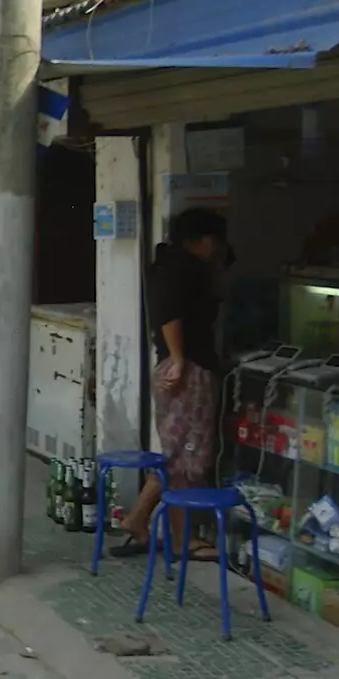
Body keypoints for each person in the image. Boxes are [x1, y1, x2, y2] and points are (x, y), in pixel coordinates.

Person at [110, 207, 231, 561]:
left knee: (176, 452)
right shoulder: (180, 270)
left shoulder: (171, 264)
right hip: (188, 369)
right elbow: (169, 315)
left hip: (182, 365)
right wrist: (179, 359)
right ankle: (180, 540)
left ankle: (138, 519)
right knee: (187, 458)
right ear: (205, 240)